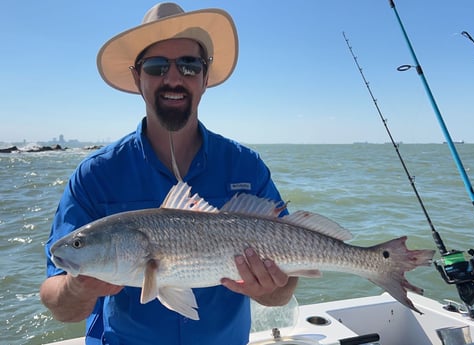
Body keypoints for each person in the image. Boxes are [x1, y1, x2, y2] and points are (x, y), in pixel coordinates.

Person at [40, 3, 298, 345]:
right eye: (157, 66)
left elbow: (285, 287)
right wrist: (77, 288)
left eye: (189, 66)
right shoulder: (95, 174)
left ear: (205, 78)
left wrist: (271, 289)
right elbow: (60, 303)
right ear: (138, 77)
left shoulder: (246, 165)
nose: (173, 78)